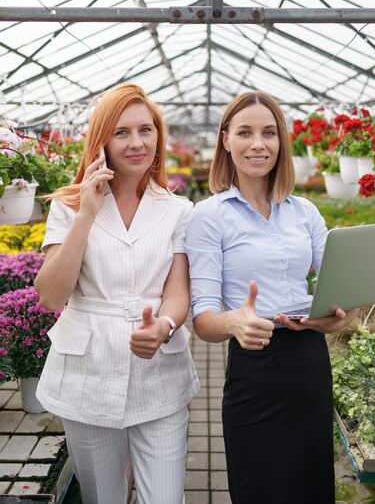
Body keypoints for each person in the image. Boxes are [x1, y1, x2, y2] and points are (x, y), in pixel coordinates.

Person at [184, 91, 358, 504]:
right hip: (255, 366)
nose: (257, 143)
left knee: (313, 486)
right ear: (226, 139)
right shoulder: (209, 216)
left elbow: (344, 296)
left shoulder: (305, 213)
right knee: (261, 488)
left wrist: (334, 315)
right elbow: (203, 320)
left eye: (268, 132)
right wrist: (236, 323)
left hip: (311, 361)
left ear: (281, 141)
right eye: (244, 132)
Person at [35, 82, 200, 504]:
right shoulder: (70, 205)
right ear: (102, 140)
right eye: (122, 132)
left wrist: (163, 325)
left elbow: (178, 290)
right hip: (88, 368)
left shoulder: (178, 209)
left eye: (146, 130)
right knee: (102, 497)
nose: (136, 143)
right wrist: (87, 213)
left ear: (159, 136)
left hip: (158, 371)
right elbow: (52, 296)